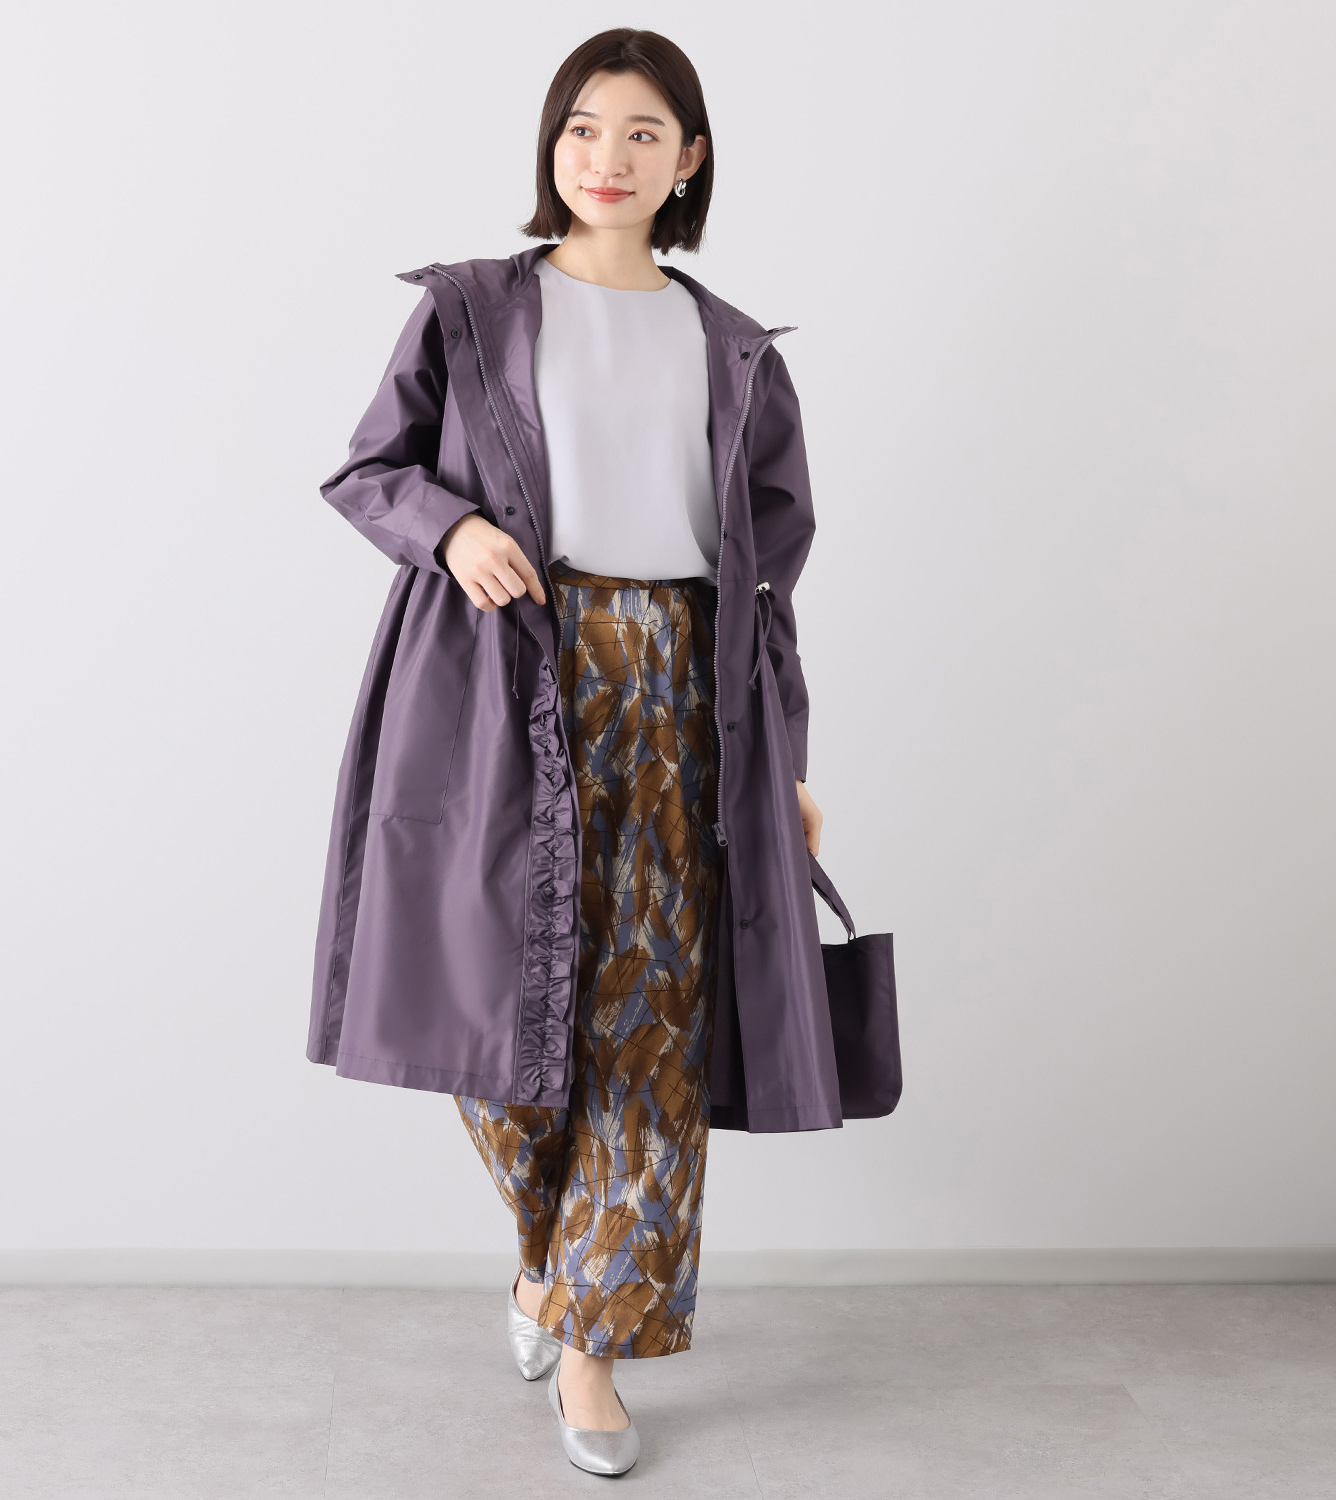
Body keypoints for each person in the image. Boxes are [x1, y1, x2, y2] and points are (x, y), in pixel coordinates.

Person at [308, 27, 839, 1479]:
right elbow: (370, 468)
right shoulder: (475, 309)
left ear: (691, 161)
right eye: (585, 130)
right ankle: (553, 1262)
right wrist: (452, 529)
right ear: (554, 148)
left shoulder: (733, 349)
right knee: (493, 1010)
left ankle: (592, 1349)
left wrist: (787, 762)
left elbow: (768, 580)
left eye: (644, 134)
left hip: (684, 691)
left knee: (652, 1019)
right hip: (500, 682)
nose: (609, 158)